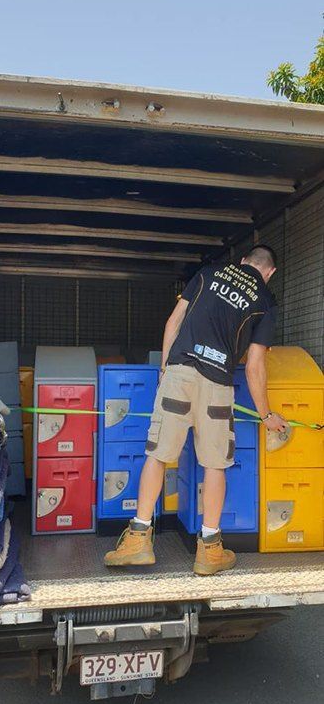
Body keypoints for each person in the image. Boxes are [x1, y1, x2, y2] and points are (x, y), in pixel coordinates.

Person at [104, 245, 288, 575]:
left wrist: (165, 371)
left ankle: (138, 542)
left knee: (158, 454)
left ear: (242, 261)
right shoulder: (265, 302)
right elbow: (255, 366)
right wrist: (266, 414)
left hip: (180, 372)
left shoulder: (208, 274)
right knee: (215, 465)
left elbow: (173, 322)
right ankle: (209, 552)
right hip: (217, 382)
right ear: (269, 272)